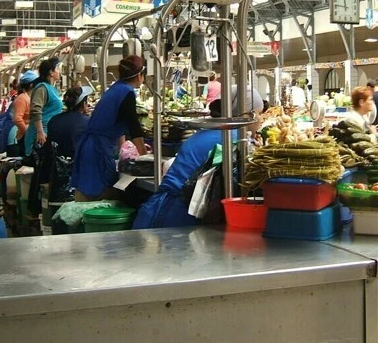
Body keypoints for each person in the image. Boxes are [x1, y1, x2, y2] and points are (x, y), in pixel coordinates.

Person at [133, 97, 260, 230]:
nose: (260, 118)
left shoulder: (207, 133)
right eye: (259, 112)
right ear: (247, 114)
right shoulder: (236, 138)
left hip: (163, 206)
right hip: (179, 213)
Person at [71, 55, 147, 201]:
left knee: (86, 195)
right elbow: (134, 126)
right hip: (99, 149)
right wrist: (145, 158)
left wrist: (122, 150)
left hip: (89, 147)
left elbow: (118, 124)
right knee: (101, 198)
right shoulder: (127, 92)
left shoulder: (115, 89)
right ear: (139, 76)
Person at [42, 85, 92, 207]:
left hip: (57, 179)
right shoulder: (87, 122)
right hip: (80, 180)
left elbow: (48, 151)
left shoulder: (54, 121)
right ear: (83, 103)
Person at [24, 58, 63, 156]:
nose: (60, 71)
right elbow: (36, 110)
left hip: (48, 133)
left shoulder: (52, 89)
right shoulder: (42, 88)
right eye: (57, 68)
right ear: (51, 72)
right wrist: (40, 132)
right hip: (40, 136)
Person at [12, 70, 38, 153]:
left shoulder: (30, 97)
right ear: (31, 85)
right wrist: (27, 129)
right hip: (24, 136)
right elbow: (17, 119)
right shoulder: (22, 98)